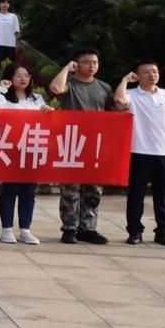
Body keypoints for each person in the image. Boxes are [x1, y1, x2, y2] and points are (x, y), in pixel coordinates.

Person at [114, 61, 165, 247]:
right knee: (136, 195)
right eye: (146, 72)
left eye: (154, 71)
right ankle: (135, 231)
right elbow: (119, 101)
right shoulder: (131, 95)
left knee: (162, 196)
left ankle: (163, 232)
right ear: (137, 76)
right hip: (139, 152)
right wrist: (125, 80)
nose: (152, 75)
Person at [48, 47, 114, 244]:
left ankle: (88, 228)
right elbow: (56, 89)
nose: (92, 66)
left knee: (94, 189)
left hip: (95, 144)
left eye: (95, 62)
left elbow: (114, 112)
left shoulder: (104, 87)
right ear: (77, 64)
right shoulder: (70, 84)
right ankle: (69, 228)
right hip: (72, 142)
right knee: (70, 188)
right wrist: (67, 69)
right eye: (87, 62)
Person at [0, 63, 53, 245]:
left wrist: (49, 112)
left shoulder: (37, 99)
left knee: (28, 191)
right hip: (10, 150)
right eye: (18, 75)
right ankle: (7, 229)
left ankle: (25, 229)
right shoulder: (0, 97)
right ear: (10, 78)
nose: (23, 79)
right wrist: (2, 91)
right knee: (9, 190)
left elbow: (46, 121)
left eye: (26, 75)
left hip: (31, 150)